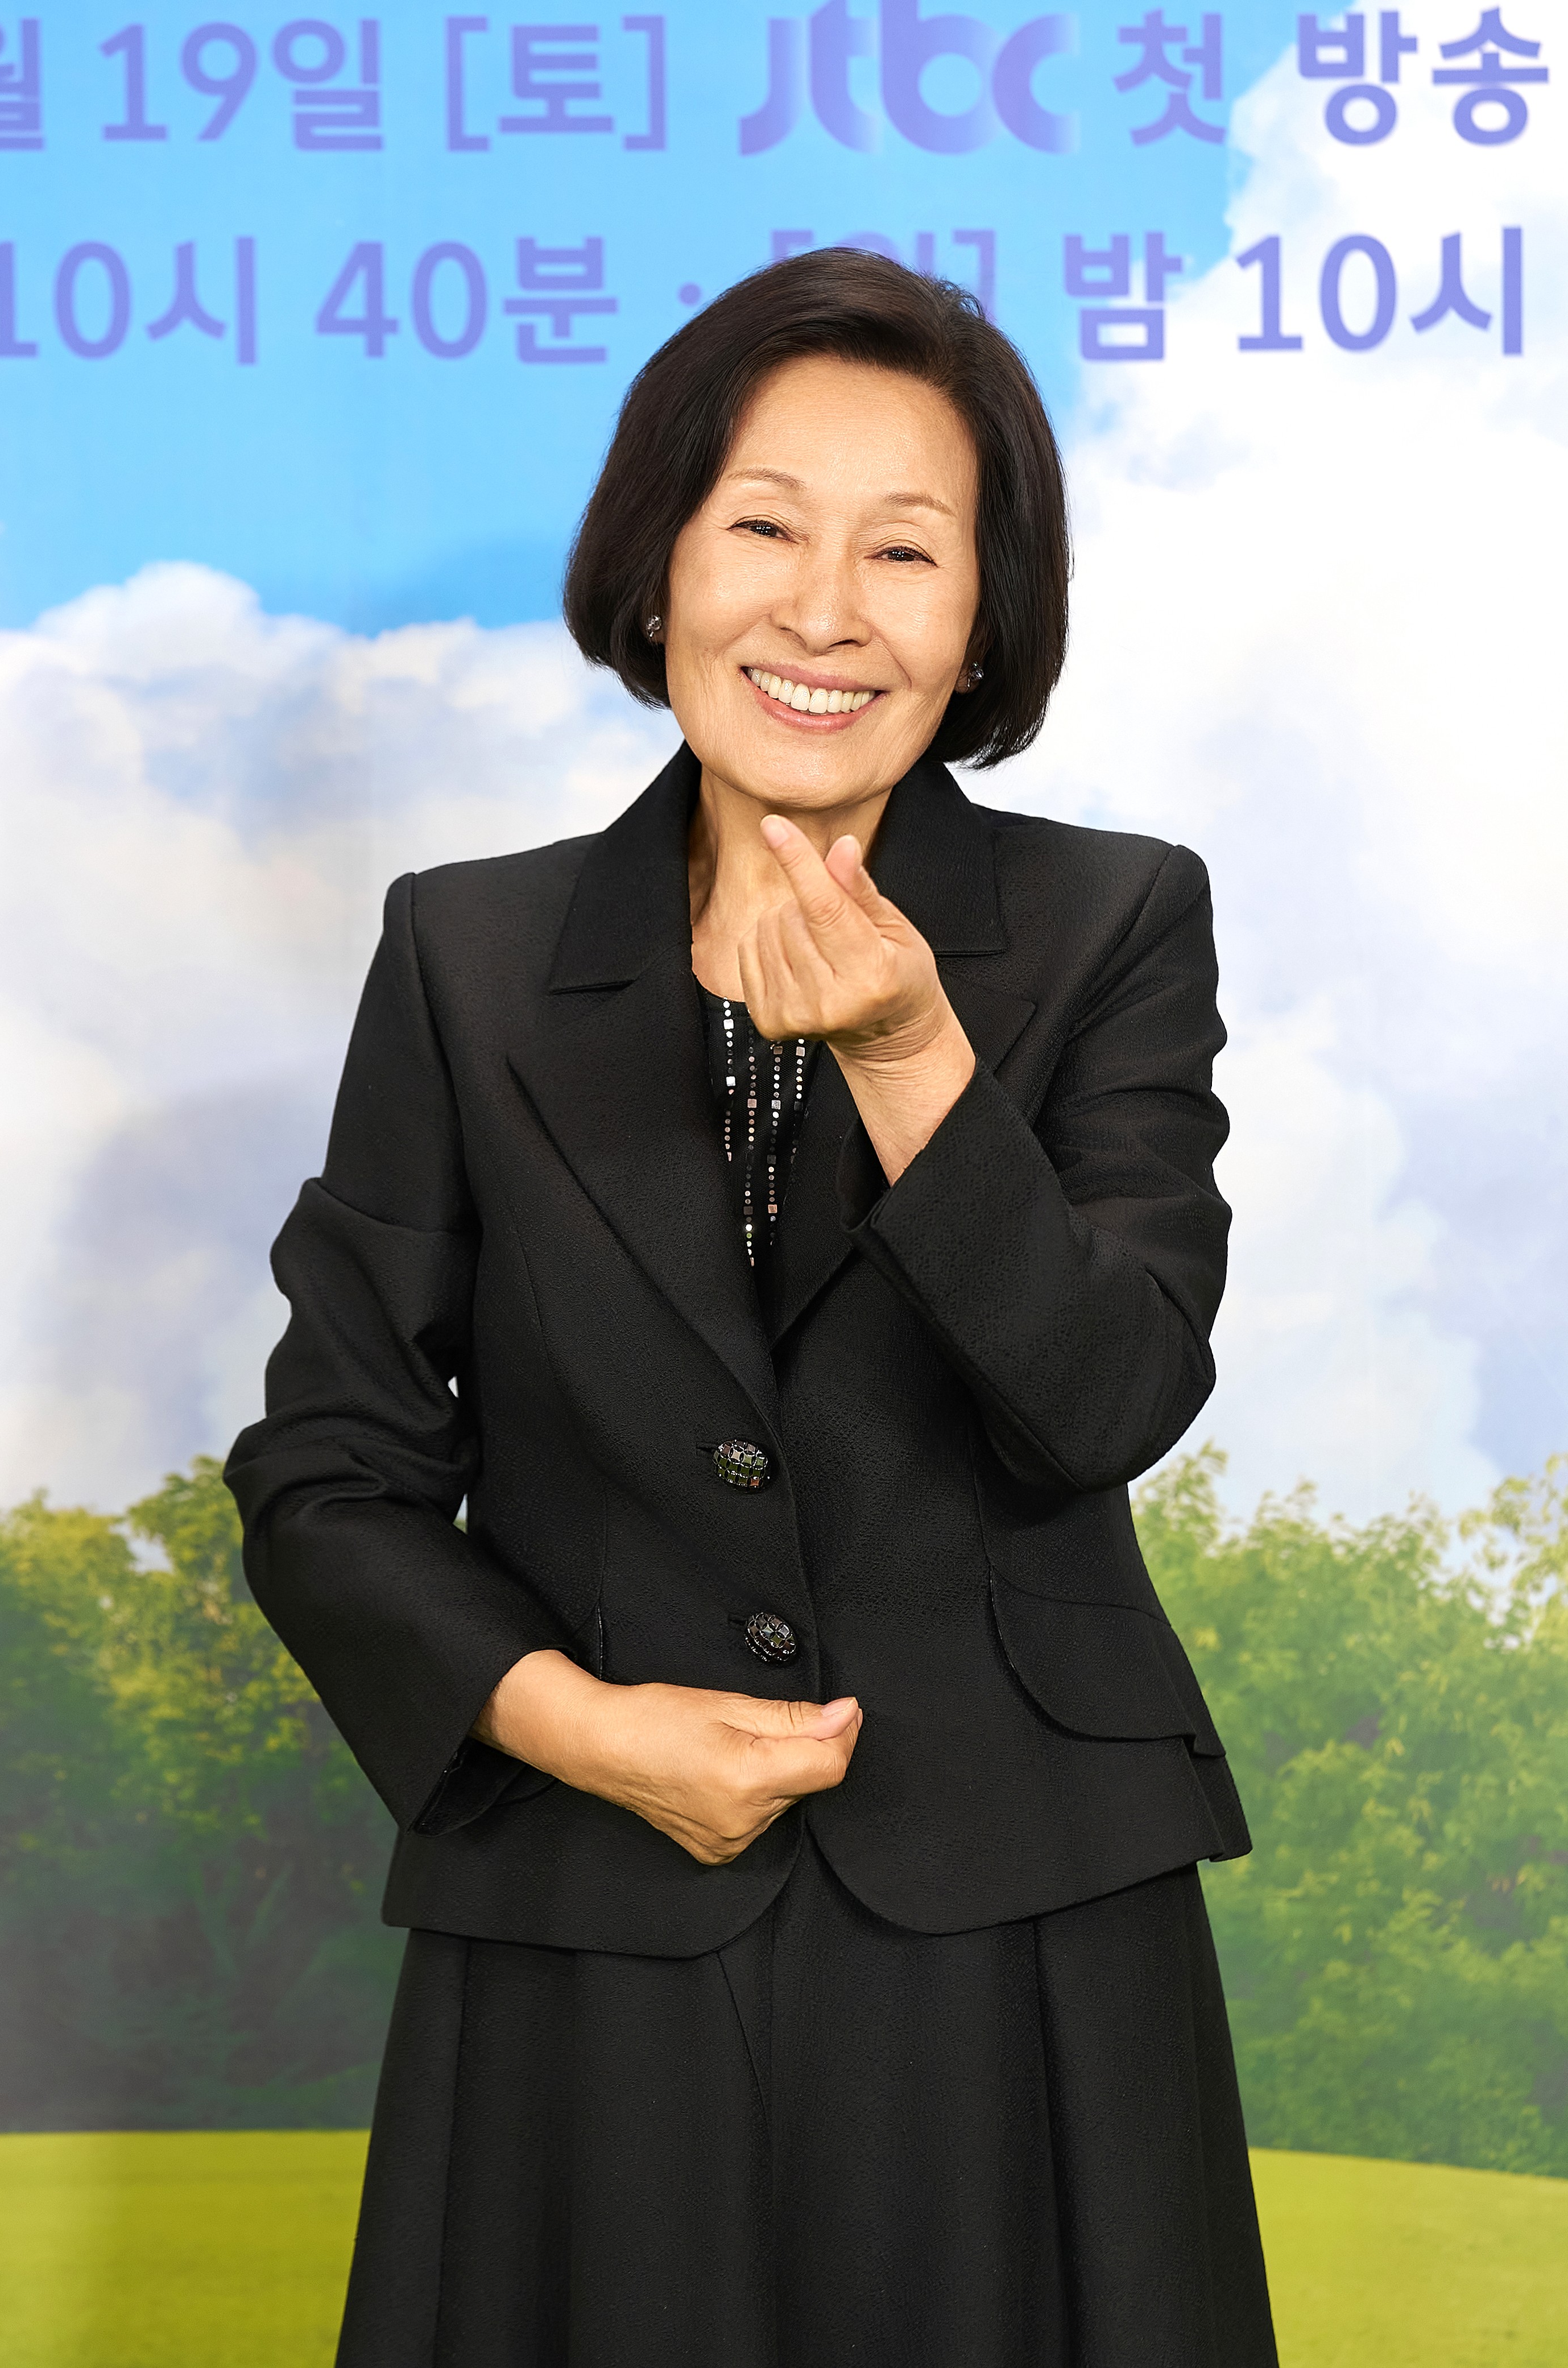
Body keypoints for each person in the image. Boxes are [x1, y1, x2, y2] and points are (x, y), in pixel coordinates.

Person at [226, 247, 1277, 2367]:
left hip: (1016, 1910)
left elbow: (1109, 1394)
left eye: (905, 549)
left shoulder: (1114, 922)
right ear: (660, 564)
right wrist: (573, 1723)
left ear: (985, 614)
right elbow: (330, 1472)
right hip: (584, 1903)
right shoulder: (466, 957)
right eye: (766, 527)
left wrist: (911, 1053)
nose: (824, 611)